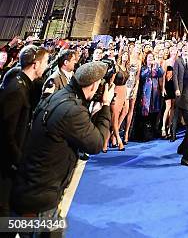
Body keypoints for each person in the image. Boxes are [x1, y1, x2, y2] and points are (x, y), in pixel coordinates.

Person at [10, 61, 113, 228]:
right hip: (41, 194)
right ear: (94, 85)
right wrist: (106, 106)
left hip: (29, 185)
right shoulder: (73, 111)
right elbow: (96, 144)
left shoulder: (60, 96)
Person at [0, 45, 49, 216]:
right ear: (35, 64)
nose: (46, 67)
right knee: (4, 210)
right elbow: (7, 132)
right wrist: (18, 161)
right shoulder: (17, 89)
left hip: (12, 160)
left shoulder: (25, 85)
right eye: (45, 62)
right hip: (6, 165)